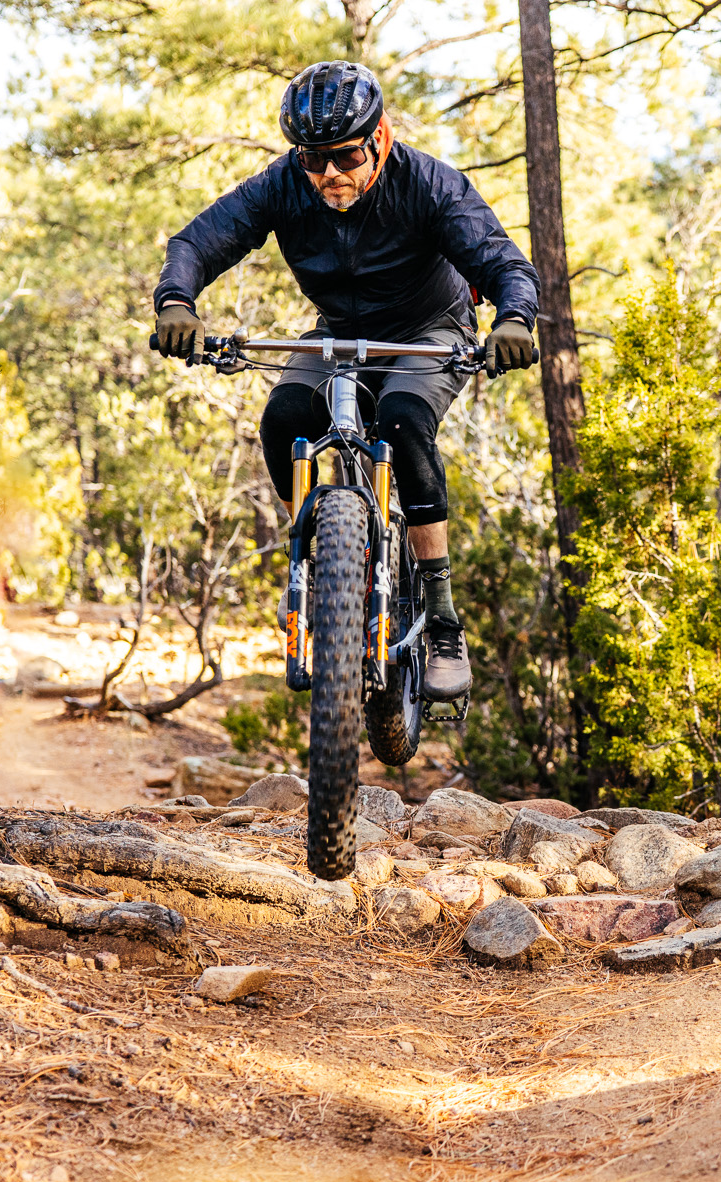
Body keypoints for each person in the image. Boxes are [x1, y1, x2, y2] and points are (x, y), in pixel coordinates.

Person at [152, 60, 539, 702]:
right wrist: (176, 304)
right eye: (313, 159)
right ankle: (315, 558)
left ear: (380, 138)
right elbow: (197, 242)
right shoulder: (285, 186)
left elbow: (502, 261)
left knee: (404, 421)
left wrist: (514, 320)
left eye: (346, 155)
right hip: (336, 334)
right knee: (282, 421)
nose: (329, 174)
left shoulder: (430, 184)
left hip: (428, 330)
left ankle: (441, 619)